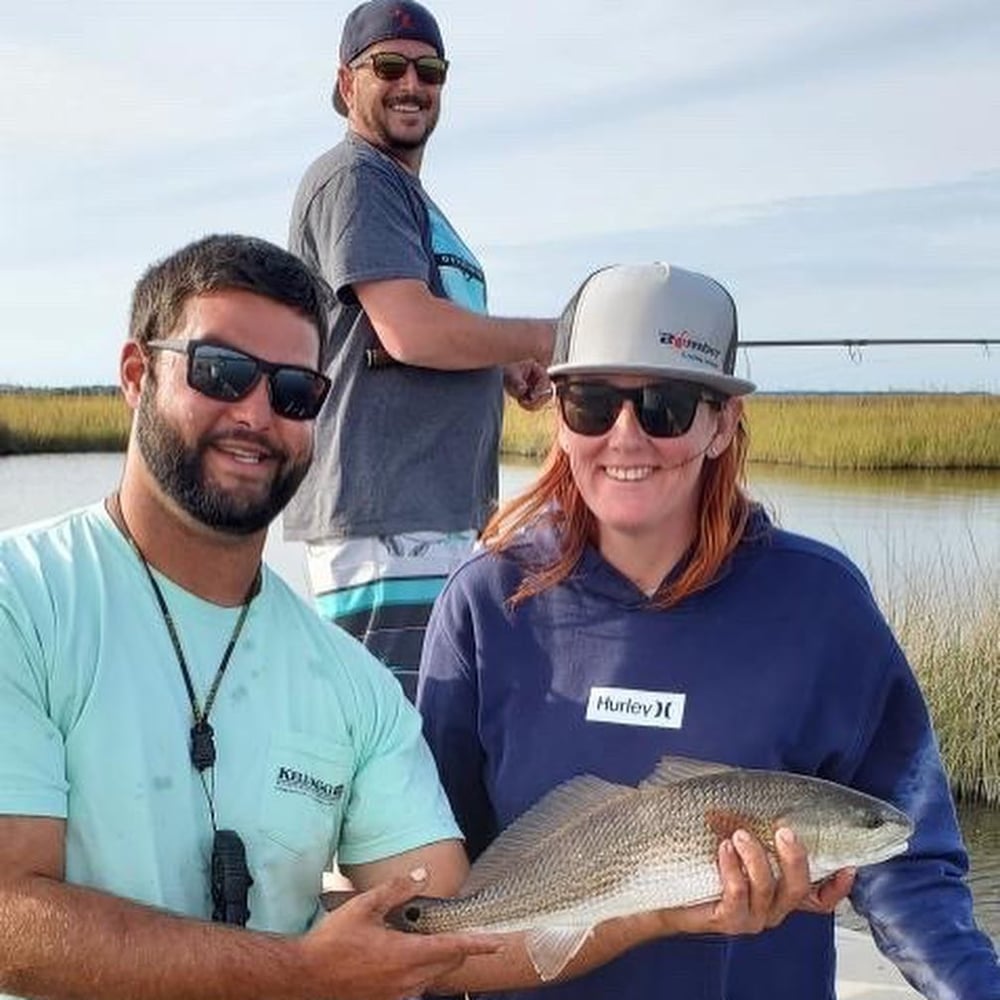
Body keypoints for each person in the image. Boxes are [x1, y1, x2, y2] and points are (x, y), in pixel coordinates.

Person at [0, 236, 832, 1000]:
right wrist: (297, 972)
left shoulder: (352, 687)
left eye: (295, 391)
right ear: (137, 375)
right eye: (219, 371)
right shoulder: (23, 598)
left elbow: (455, 928)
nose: (256, 414)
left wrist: (671, 901)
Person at [417, 262, 1000, 1000]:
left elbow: (910, 862)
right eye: (592, 403)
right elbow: (434, 863)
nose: (625, 437)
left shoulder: (823, 603)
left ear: (722, 423)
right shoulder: (483, 603)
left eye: (664, 406)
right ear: (559, 419)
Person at [285, 0, 556, 700]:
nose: (412, 84)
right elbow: (408, 329)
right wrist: (546, 337)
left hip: (438, 517)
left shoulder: (408, 196)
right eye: (391, 66)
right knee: (395, 742)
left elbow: (417, 329)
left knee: (435, 738)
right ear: (348, 83)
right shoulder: (355, 177)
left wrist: (500, 366)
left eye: (429, 70)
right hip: (387, 518)